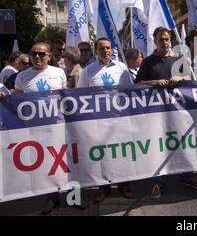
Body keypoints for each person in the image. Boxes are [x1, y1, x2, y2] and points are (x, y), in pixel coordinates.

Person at [135, 27, 197, 199]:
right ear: (155, 41)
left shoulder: (178, 60)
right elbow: (138, 84)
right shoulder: (148, 62)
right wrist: (155, 82)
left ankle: (188, 176)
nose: (165, 43)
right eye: (161, 40)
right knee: (159, 146)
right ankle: (158, 182)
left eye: (167, 39)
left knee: (184, 142)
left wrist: (180, 78)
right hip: (156, 114)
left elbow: (191, 80)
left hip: (179, 112)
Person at [0, 42, 67, 214]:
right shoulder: (22, 76)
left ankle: (71, 195)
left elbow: (66, 95)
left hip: (58, 127)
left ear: (49, 56)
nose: (38, 57)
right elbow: (16, 97)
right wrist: (5, 96)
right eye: (34, 53)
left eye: (42, 54)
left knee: (63, 163)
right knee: (45, 165)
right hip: (35, 130)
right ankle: (51, 198)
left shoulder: (59, 72)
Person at [77, 37, 135, 204]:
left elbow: (129, 92)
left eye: (108, 48)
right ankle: (104, 188)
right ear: (96, 51)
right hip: (99, 121)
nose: (105, 51)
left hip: (120, 119)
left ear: (112, 49)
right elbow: (80, 95)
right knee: (103, 156)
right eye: (101, 48)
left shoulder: (122, 68)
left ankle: (124, 186)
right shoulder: (88, 71)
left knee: (122, 153)